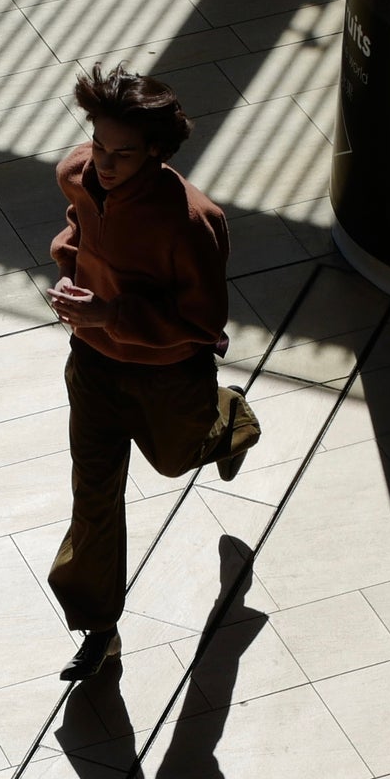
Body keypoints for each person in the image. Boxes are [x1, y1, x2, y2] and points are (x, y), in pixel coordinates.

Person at [46, 63, 260, 682]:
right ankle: (98, 632)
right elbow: (77, 231)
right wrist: (70, 272)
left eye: (124, 154)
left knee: (171, 459)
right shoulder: (78, 174)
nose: (104, 165)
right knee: (93, 499)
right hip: (92, 364)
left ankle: (229, 418)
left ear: (158, 152)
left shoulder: (191, 221)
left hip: (167, 372)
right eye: (100, 145)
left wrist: (114, 311)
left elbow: (201, 324)